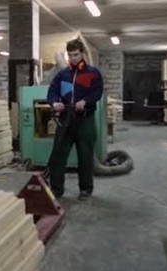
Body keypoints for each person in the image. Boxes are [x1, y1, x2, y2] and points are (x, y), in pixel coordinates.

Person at [46, 39, 104, 200]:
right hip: (65, 119)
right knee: (58, 155)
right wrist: (54, 102)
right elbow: (52, 92)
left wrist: (85, 101)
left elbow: (97, 92)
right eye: (70, 55)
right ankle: (56, 189)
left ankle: (85, 189)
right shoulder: (62, 75)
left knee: (85, 156)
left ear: (83, 53)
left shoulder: (93, 73)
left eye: (76, 55)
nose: (73, 58)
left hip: (84, 120)